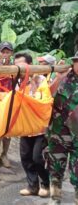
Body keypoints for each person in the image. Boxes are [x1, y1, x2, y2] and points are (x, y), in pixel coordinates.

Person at [14, 53, 50, 198]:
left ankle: (46, 184)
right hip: (25, 128)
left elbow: (45, 100)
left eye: (22, 65)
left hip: (40, 128)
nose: (19, 68)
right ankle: (32, 186)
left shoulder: (41, 80)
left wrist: (33, 83)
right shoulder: (16, 82)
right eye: (16, 65)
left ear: (29, 64)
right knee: (25, 157)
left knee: (37, 158)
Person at [45, 51, 78, 205]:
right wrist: (58, 78)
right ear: (73, 63)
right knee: (55, 169)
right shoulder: (62, 77)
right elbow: (47, 95)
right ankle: (54, 198)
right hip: (58, 134)